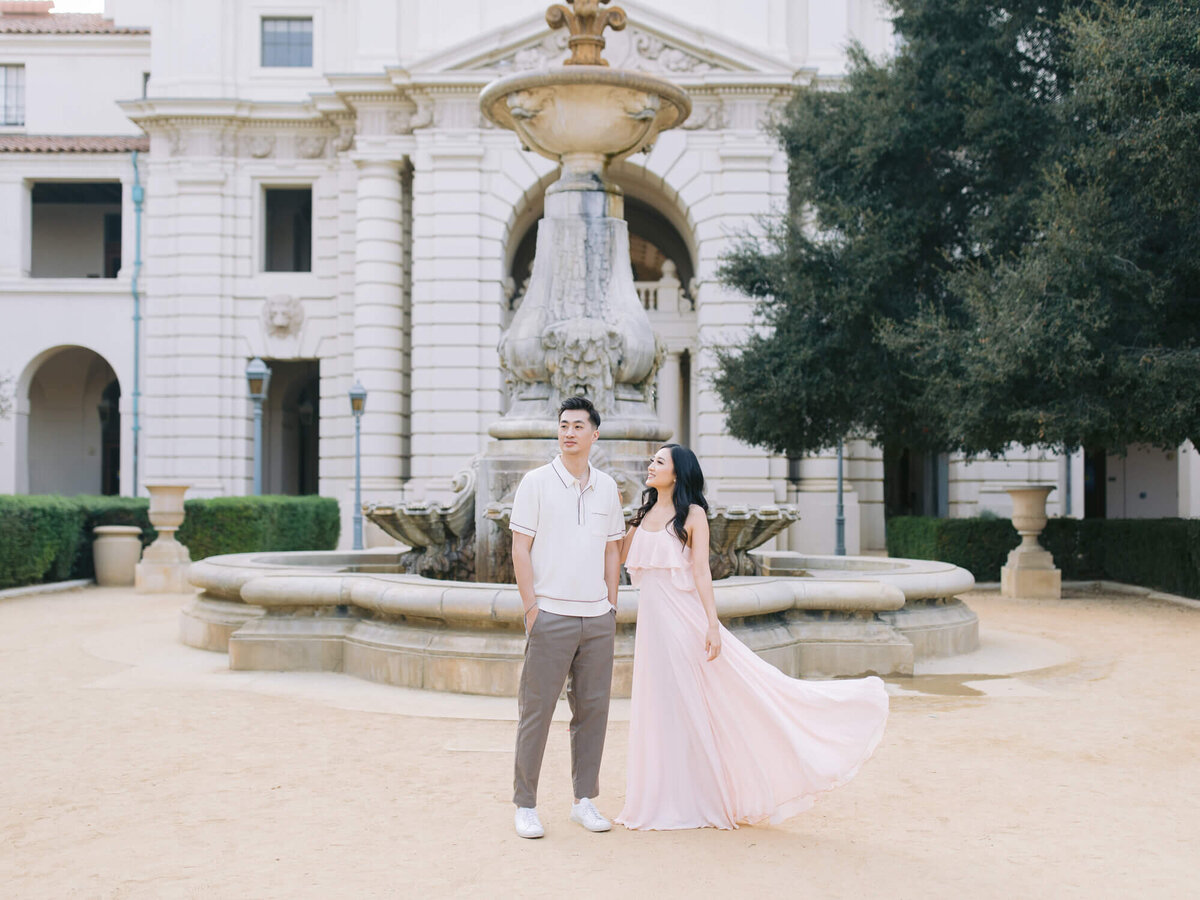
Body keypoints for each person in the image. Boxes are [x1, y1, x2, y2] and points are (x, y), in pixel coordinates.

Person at [615, 444, 889, 831]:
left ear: (677, 473)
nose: (650, 465)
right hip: (652, 626)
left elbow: (701, 574)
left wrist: (712, 624)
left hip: (683, 620)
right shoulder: (642, 515)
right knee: (658, 704)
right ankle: (661, 796)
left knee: (700, 700)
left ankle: (701, 797)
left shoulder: (692, 515)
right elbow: (617, 553)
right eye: (652, 461)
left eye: (659, 462)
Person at [509, 396, 626, 839]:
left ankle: (584, 801)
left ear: (594, 434)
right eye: (563, 425)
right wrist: (531, 608)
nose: (569, 432)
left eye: (579, 426)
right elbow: (520, 547)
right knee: (535, 712)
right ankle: (525, 805)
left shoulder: (608, 487)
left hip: (597, 619)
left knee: (593, 712)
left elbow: (613, 548)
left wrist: (611, 602)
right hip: (551, 614)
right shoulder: (535, 483)